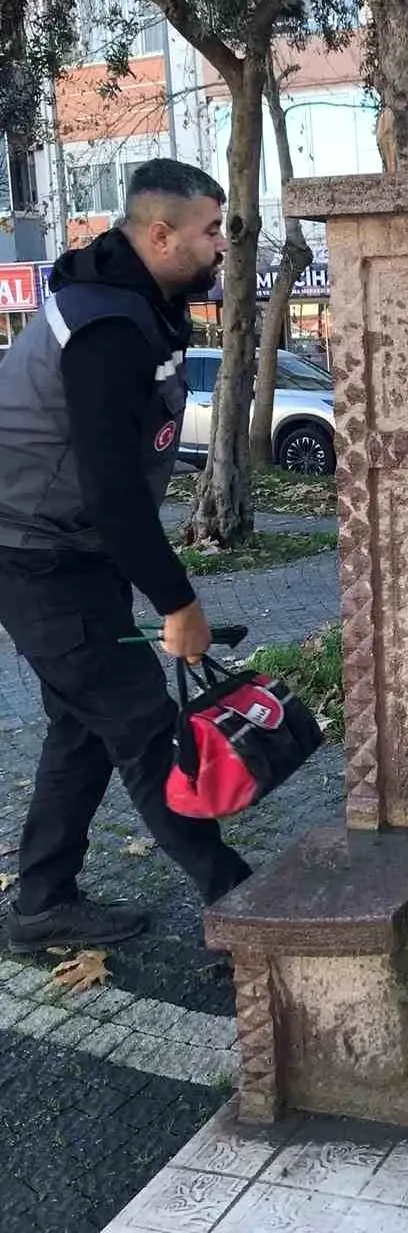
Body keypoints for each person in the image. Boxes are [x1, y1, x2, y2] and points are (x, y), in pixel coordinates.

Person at [0, 159, 252, 953]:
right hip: (34, 553)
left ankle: (42, 901)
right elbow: (110, 489)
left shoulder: (141, 303)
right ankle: (243, 913)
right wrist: (179, 602)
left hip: (64, 550)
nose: (222, 247)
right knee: (145, 729)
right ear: (158, 234)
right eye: (211, 231)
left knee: (84, 727)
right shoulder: (107, 325)